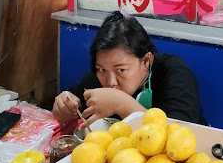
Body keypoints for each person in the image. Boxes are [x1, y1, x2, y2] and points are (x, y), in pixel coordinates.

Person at [53, 12, 204, 124]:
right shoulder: (102, 74)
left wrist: (121, 104)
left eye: (121, 70)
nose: (111, 82)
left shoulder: (174, 74)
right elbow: (72, 102)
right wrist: (65, 106)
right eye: (101, 69)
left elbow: (180, 136)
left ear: (146, 61)